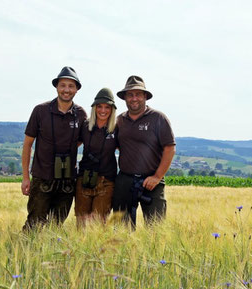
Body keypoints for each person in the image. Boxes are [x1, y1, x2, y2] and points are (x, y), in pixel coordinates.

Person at [21, 66, 87, 230]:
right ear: (56, 87)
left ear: (77, 90)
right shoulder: (40, 111)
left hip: (67, 180)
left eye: (71, 86)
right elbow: (28, 144)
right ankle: (25, 254)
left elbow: (82, 140)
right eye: (63, 85)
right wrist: (25, 177)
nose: (66, 90)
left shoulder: (81, 114)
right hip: (42, 177)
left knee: (56, 226)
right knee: (34, 224)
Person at [112, 75, 176, 228]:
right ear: (125, 98)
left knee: (156, 229)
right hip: (125, 181)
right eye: (130, 94)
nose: (134, 98)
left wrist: (157, 176)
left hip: (152, 181)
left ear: (145, 96)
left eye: (138, 94)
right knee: (121, 230)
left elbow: (170, 148)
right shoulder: (119, 120)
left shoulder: (158, 118)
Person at [74, 88, 118, 228]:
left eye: (107, 107)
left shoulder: (117, 129)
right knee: (81, 223)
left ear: (112, 110)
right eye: (99, 106)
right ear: (94, 108)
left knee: (98, 224)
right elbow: (72, 144)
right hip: (84, 179)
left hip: (106, 182)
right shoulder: (85, 126)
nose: (103, 110)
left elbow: (127, 150)